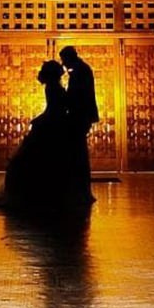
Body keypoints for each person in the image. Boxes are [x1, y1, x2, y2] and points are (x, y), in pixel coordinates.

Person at [0, 60, 83, 213]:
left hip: (53, 122)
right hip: (55, 123)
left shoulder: (52, 87)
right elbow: (56, 107)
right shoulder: (54, 87)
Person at [59, 46, 100, 203]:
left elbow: (77, 96)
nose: (63, 64)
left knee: (78, 153)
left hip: (80, 117)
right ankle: (79, 189)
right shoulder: (80, 70)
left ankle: (80, 190)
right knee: (78, 152)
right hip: (81, 116)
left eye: (64, 60)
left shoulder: (80, 71)